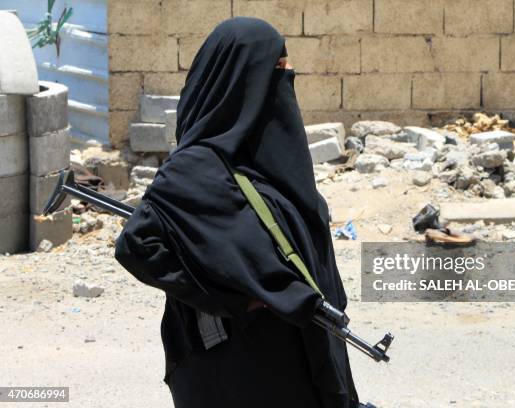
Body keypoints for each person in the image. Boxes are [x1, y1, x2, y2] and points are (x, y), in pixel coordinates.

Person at [114, 16, 360, 408]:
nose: (288, 75)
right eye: (276, 69)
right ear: (239, 80)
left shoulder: (275, 168)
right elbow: (136, 247)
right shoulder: (193, 169)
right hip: (235, 370)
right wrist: (230, 299)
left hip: (294, 360)